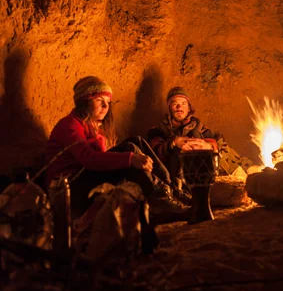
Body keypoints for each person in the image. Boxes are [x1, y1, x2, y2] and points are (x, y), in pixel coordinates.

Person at [44, 76, 191, 225]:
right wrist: (130, 158)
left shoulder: (92, 127)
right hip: (69, 190)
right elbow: (89, 159)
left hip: (83, 181)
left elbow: (99, 159)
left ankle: (171, 190)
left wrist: (99, 137)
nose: (105, 106)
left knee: (136, 141)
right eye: (99, 100)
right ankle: (161, 201)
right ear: (85, 101)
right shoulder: (70, 124)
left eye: (107, 102)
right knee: (129, 150)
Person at [148, 87, 218, 188]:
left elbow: (215, 146)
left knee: (196, 135)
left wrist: (207, 146)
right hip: (170, 178)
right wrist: (173, 143)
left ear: (189, 108)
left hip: (198, 175)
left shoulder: (199, 126)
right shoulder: (158, 128)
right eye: (174, 103)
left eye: (183, 103)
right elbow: (153, 152)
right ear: (169, 107)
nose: (179, 107)